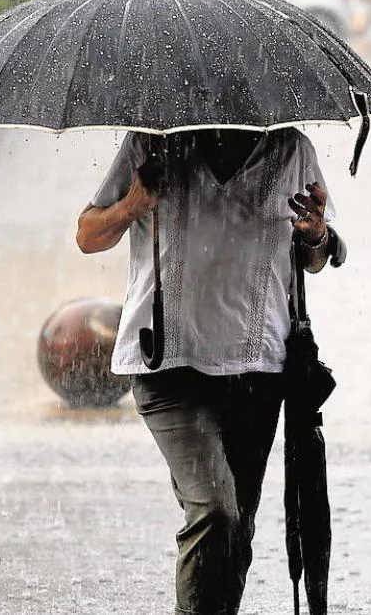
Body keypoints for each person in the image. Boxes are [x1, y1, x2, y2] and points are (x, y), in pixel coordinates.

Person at [76, 128, 341, 615]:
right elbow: (88, 235)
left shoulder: (290, 149)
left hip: (258, 368)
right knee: (215, 511)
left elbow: (319, 257)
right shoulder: (153, 142)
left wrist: (316, 234)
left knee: (237, 529)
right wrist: (132, 204)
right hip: (167, 364)